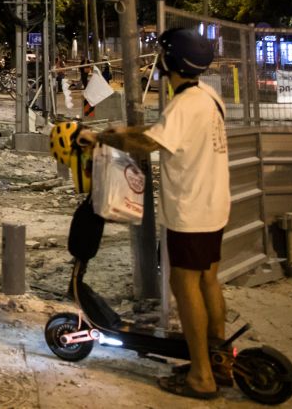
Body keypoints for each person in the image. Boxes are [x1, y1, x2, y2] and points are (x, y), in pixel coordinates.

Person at [78, 29, 229, 399]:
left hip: (190, 211)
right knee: (208, 280)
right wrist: (123, 131)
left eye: (161, 54)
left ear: (170, 62)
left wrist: (102, 138)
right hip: (214, 204)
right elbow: (164, 133)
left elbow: (148, 144)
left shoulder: (185, 104)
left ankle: (202, 378)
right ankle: (218, 360)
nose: (157, 59)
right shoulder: (206, 96)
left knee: (184, 285)